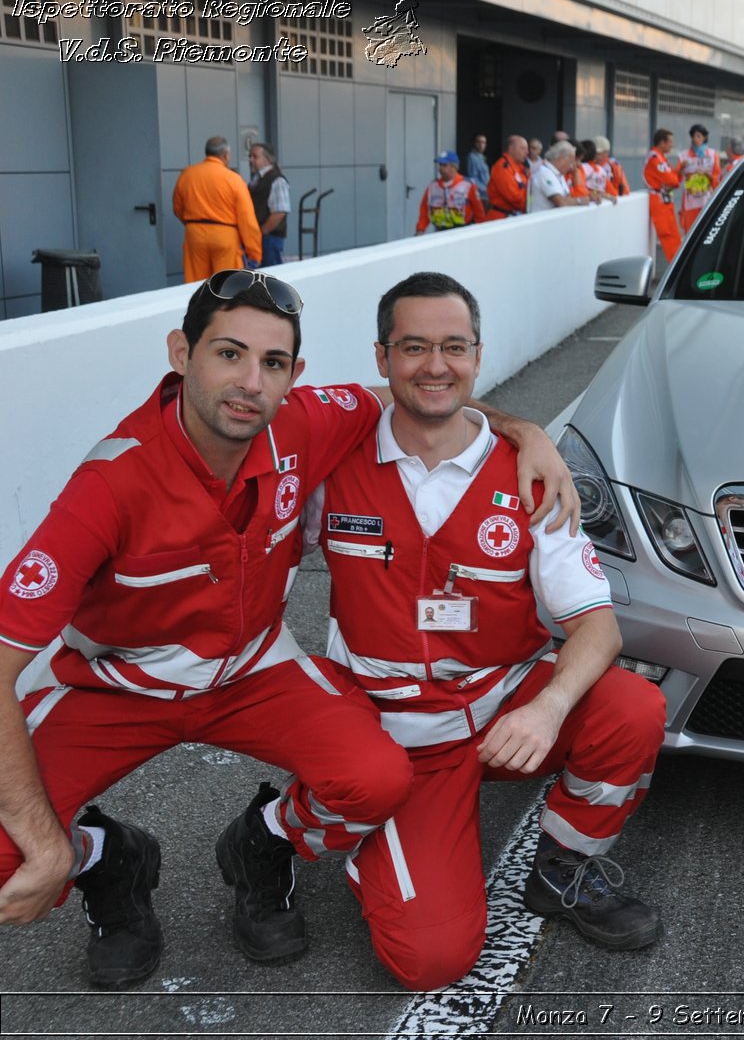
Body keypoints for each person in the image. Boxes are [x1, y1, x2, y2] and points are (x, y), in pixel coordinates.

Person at [0, 270, 580, 988]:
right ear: (181, 353)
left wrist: (522, 432)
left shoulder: (302, 420)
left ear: (295, 375)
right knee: (9, 844)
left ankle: (260, 842)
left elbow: (422, 395)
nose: (250, 381)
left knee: (375, 776)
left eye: (272, 363)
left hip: (253, 672)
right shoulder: (110, 485)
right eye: (228, 353)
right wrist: (45, 845)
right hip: (120, 687)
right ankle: (105, 860)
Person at [306, 272, 666, 989]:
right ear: (381, 357)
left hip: (500, 707)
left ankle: (562, 868)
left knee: (631, 707)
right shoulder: (330, 457)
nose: (436, 365)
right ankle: (325, 828)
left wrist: (548, 706)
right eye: (413, 347)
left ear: (477, 352)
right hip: (394, 737)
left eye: (454, 346)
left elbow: (596, 626)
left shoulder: (532, 474)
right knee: (431, 958)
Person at [172, 137, 262, 282]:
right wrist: (254, 253)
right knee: (226, 286)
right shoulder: (233, 179)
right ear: (226, 155)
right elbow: (247, 219)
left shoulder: (187, 175)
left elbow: (178, 208)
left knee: (197, 286)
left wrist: (193, 223)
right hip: (225, 236)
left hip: (195, 234)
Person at [415, 151, 485, 234]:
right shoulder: (433, 186)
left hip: (463, 231)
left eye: (444, 165)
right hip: (440, 232)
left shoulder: (468, 185)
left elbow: (479, 211)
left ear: (454, 167)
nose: (440, 168)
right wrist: (420, 229)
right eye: (440, 165)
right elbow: (425, 210)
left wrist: (480, 232)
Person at [247, 143, 291, 268]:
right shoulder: (256, 180)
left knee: (271, 278)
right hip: (261, 237)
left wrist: (262, 232)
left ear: (267, 160)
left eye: (255, 157)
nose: (250, 160)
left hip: (270, 238)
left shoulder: (277, 180)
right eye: (250, 156)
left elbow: (280, 211)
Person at [643, 128, 682, 261]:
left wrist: (678, 171)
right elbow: (672, 180)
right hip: (659, 201)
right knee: (668, 235)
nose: (672, 145)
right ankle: (675, 266)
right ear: (662, 142)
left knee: (674, 234)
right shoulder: (654, 158)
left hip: (665, 199)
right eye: (670, 142)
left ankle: (678, 263)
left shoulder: (661, 157)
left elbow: (675, 180)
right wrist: (674, 178)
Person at [676, 123, 720, 232]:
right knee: (690, 231)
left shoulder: (713, 154)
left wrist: (706, 174)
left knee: (706, 230)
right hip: (690, 201)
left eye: (698, 136)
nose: (695, 139)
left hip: (706, 199)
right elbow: (676, 179)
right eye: (693, 136)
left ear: (704, 137)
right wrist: (681, 168)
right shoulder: (683, 156)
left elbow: (717, 178)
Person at [485, 136, 530, 220]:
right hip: (501, 219)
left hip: (514, 216)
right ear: (511, 148)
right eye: (523, 148)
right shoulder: (502, 167)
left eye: (527, 149)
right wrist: (530, 204)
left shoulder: (521, 168)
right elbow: (514, 197)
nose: (527, 152)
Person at [530, 141, 581, 212]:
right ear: (561, 159)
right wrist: (580, 201)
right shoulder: (544, 173)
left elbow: (568, 198)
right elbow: (561, 202)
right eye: (570, 162)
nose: (571, 167)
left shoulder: (559, 174)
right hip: (541, 220)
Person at [465, 134, 491, 204]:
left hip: (487, 194)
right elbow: (473, 178)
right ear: (474, 143)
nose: (481, 145)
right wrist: (486, 190)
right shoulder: (472, 157)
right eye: (478, 142)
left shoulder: (482, 157)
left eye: (483, 143)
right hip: (481, 196)